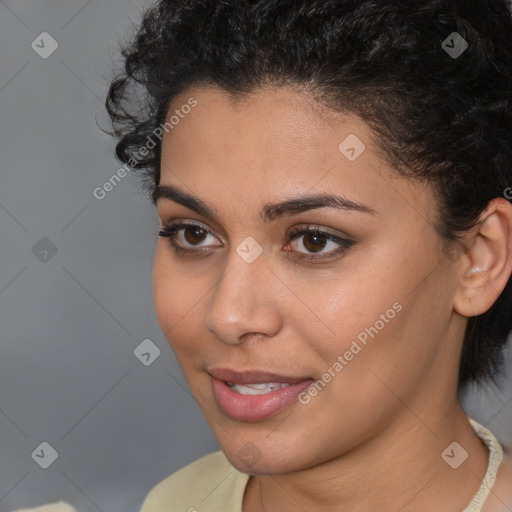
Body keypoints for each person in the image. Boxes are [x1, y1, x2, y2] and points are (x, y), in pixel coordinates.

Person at [104, 1, 512, 510]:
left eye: (314, 240)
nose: (228, 316)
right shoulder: (176, 501)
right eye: (192, 234)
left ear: (479, 257)